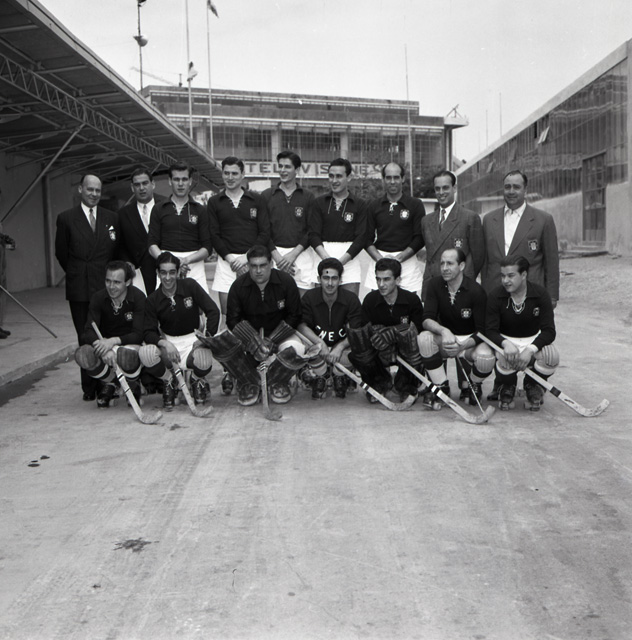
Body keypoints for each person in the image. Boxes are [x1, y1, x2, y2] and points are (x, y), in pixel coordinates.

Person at [480, 169, 560, 400]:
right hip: (497, 290)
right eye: (507, 186)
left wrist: (552, 295)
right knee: (500, 340)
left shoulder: (543, 220)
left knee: (536, 342)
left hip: (530, 292)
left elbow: (551, 260)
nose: (511, 191)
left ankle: (533, 384)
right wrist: (484, 292)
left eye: (516, 186)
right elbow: (485, 260)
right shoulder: (489, 219)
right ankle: (502, 383)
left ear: (525, 189)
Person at [205, 245, 307, 407]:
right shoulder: (238, 286)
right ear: (248, 266)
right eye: (253, 266)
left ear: (271, 264)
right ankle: (248, 382)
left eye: (262, 265)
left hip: (280, 334)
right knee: (222, 345)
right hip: (248, 338)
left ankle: (277, 381)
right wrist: (254, 341)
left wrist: (271, 340)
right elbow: (232, 320)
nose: (258, 271)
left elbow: (295, 315)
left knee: (298, 349)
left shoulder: (286, 282)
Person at [55, 173, 120, 400]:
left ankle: (109, 383)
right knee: (85, 337)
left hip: (106, 287)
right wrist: (79, 272)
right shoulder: (66, 218)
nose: (94, 194)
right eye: (90, 189)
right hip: (80, 287)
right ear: (80, 189)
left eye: (98, 190)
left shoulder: (112, 217)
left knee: (107, 334)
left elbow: (115, 251)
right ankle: (90, 386)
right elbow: (62, 253)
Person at [139, 252, 220, 410]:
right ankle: (169, 380)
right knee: (146, 353)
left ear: (177, 272)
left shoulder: (190, 285)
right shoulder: (152, 299)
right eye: (163, 273)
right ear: (157, 273)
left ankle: (196, 380)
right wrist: (165, 344)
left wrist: (205, 339)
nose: (168, 278)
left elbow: (213, 311)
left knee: (205, 358)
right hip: (169, 343)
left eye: (172, 272)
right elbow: (148, 332)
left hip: (193, 341)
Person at [417, 248, 495, 410]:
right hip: (446, 340)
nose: (445, 268)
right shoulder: (434, 284)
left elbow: (482, 331)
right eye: (442, 263)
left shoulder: (476, 291)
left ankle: (474, 385)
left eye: (450, 263)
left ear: (461, 266)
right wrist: (444, 331)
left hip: (469, 343)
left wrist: (462, 346)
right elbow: (426, 319)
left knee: (486, 357)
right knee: (424, 338)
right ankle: (441, 387)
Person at [485, 256, 559, 411]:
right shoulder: (495, 295)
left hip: (531, 342)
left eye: (511, 276)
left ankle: (532, 385)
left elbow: (549, 331)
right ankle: (507, 385)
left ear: (524, 274)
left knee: (551, 356)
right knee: (503, 355)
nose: (505, 281)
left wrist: (530, 349)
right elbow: (490, 330)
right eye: (503, 276)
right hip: (507, 342)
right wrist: (505, 343)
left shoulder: (540, 294)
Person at [348, 258, 424, 403]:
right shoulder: (370, 300)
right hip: (380, 349)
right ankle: (379, 384)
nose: (381, 284)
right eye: (378, 279)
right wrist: (376, 332)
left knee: (416, 342)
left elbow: (419, 328)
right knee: (359, 346)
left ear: (398, 280)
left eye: (386, 279)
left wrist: (395, 332)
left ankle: (406, 386)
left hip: (405, 349)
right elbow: (363, 329)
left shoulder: (412, 300)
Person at [74, 261, 145, 408]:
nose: (111, 286)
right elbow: (87, 331)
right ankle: (111, 382)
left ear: (128, 282)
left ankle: (132, 383)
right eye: (108, 281)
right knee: (83, 354)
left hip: (129, 346)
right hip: (105, 346)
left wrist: (112, 342)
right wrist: (103, 347)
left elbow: (139, 334)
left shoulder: (138, 297)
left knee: (125, 355)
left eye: (117, 282)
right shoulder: (98, 297)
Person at [208, 156, 271, 321]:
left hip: (254, 263)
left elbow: (264, 232)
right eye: (226, 173)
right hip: (226, 264)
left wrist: (247, 258)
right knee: (227, 316)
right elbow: (214, 235)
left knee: (256, 314)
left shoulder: (257, 199)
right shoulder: (214, 202)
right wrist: (231, 259)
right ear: (222, 174)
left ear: (243, 174)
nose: (230, 177)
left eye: (234, 173)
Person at [298, 258, 363, 399]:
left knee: (360, 344)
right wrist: (320, 343)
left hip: (341, 348)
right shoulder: (309, 297)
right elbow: (301, 325)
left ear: (340, 280)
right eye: (326, 278)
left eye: (334, 278)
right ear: (319, 279)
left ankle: (339, 375)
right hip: (318, 346)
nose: (330, 283)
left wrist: (340, 346)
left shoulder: (351, 299)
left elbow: (357, 329)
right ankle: (321, 375)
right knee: (301, 343)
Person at [148, 161, 212, 294]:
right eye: (176, 179)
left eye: (184, 179)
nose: (180, 183)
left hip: (194, 267)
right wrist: (170, 262)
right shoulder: (158, 209)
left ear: (190, 181)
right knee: (164, 306)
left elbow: (207, 248)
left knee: (200, 306)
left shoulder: (200, 210)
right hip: (166, 268)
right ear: (170, 181)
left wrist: (186, 260)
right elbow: (151, 244)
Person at [421, 169, 484, 300]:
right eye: (437, 189)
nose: (441, 192)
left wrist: (465, 279)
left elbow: (478, 257)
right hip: (432, 286)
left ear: (454, 188)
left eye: (445, 188)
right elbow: (430, 256)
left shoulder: (469, 218)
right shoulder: (426, 221)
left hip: (459, 287)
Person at [308, 158, 367, 296]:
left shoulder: (360, 204)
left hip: (349, 262)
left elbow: (361, 237)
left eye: (339, 176)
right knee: (320, 306)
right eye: (331, 176)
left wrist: (341, 262)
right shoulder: (318, 203)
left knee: (349, 305)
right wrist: (327, 260)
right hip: (322, 258)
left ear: (349, 177)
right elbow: (313, 234)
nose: (334, 180)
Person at [365, 162, 426, 294]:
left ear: (402, 178)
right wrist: (381, 260)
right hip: (380, 261)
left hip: (407, 263)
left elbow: (420, 238)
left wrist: (399, 258)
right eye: (388, 178)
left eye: (396, 177)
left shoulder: (415, 204)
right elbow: (367, 238)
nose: (392, 182)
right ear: (383, 179)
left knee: (408, 304)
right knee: (378, 304)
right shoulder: (373, 206)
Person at [262, 151, 316, 297]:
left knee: (304, 304)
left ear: (297, 169)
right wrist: (278, 258)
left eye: (287, 167)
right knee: (277, 302)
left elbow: (312, 230)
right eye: (280, 166)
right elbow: (263, 229)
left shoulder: (308, 197)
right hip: (275, 256)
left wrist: (293, 255)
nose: (282, 170)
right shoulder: (266, 196)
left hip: (302, 255)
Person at [118, 166, 161, 295]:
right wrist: (127, 262)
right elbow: (119, 245)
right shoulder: (122, 214)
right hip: (138, 275)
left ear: (153, 184)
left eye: (145, 183)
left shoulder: (166, 207)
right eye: (137, 185)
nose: (141, 188)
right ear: (132, 188)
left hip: (164, 271)